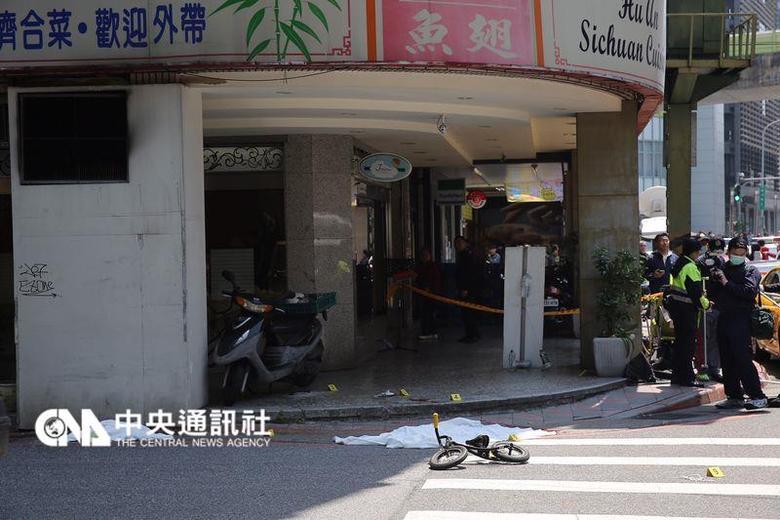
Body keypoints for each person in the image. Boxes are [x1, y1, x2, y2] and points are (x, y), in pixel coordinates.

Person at [710, 236, 768, 410]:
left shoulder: (751, 270)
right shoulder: (723, 268)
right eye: (735, 252)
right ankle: (734, 396)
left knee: (742, 358)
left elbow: (748, 292)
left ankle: (757, 396)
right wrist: (715, 280)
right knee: (727, 359)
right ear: (729, 252)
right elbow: (712, 294)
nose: (738, 255)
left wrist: (727, 283)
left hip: (741, 319)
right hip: (724, 316)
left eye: (742, 252)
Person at [666, 238, 711, 387]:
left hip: (677, 310)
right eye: (698, 251)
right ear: (693, 252)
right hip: (687, 312)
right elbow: (696, 293)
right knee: (687, 346)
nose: (699, 254)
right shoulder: (690, 267)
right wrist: (706, 304)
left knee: (680, 345)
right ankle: (687, 378)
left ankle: (678, 377)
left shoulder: (678, 264)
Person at [696, 237, 727, 381]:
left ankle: (715, 367)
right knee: (704, 338)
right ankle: (703, 367)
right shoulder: (701, 261)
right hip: (705, 305)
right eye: (715, 250)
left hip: (719, 305)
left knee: (715, 338)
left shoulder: (722, 261)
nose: (717, 253)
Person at [455, 236, 482, 343]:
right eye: (455, 244)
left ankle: (472, 335)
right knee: (466, 312)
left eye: (459, 243)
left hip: (469, 290)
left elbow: (469, 274)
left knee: (469, 312)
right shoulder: (462, 255)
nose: (457, 246)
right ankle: (471, 334)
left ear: (465, 243)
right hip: (465, 288)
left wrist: (466, 288)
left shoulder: (468, 256)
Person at [415, 248, 441, 341]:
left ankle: (429, 332)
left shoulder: (432, 266)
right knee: (426, 313)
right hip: (423, 293)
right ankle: (429, 331)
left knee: (428, 313)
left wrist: (429, 289)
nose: (424, 257)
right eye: (422, 255)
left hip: (431, 294)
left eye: (426, 255)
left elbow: (435, 280)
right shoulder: (421, 266)